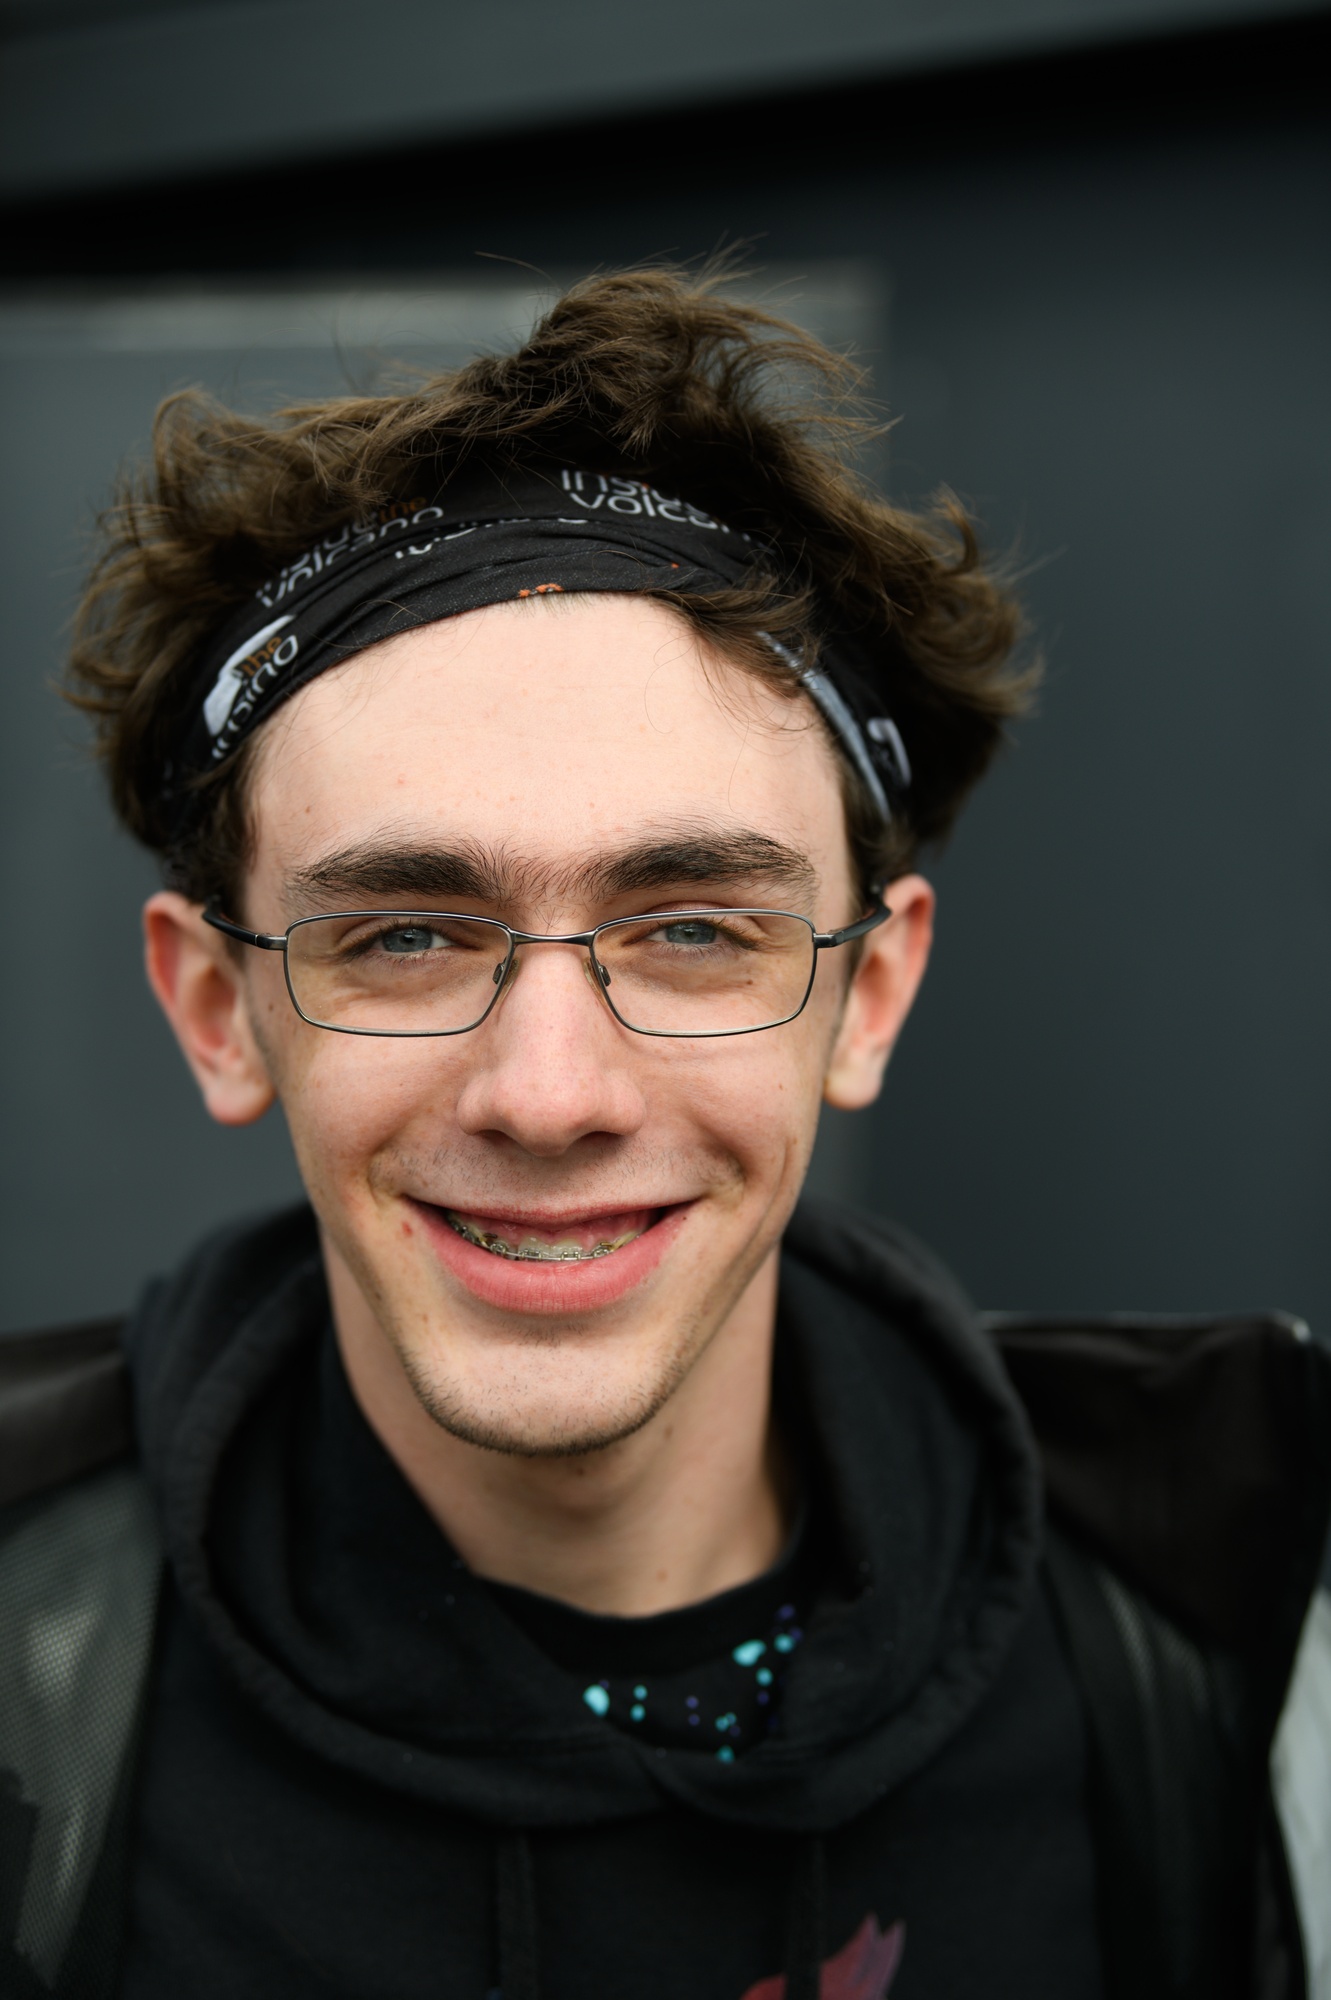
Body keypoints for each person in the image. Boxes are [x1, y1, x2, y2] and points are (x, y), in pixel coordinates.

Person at [2, 271, 1327, 2000]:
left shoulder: (1212, 1633)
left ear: (867, 994)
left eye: (695, 928)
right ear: (217, 1007)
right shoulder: (32, 1674)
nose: (551, 1094)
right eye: (405, 934)